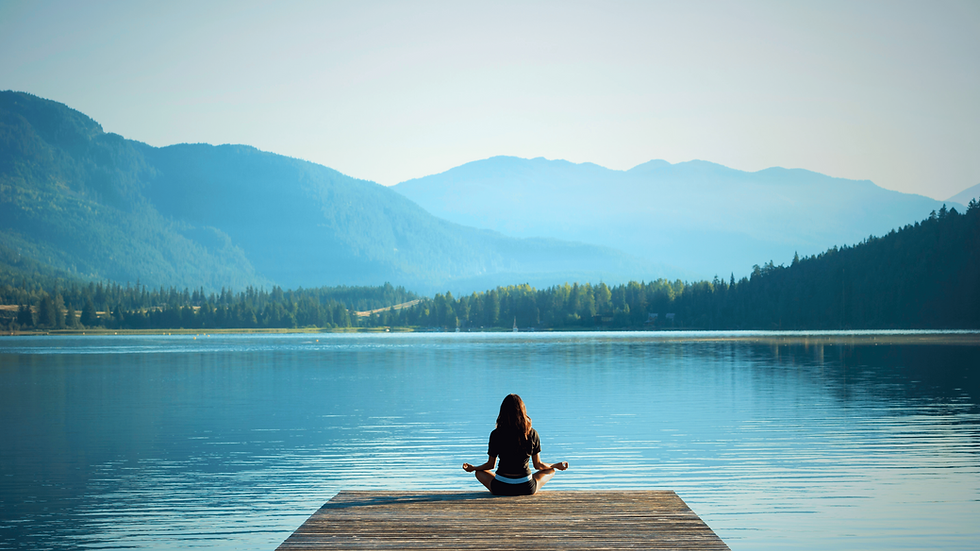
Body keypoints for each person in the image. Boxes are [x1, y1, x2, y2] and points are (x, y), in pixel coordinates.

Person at [462, 394, 568, 495]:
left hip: (500, 487)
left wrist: (474, 468)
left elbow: (490, 465)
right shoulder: (531, 433)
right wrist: (555, 466)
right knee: (551, 471)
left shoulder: (496, 434)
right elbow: (538, 465)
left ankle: (500, 482)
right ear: (523, 411)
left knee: (479, 472)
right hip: (526, 487)